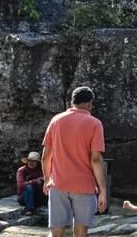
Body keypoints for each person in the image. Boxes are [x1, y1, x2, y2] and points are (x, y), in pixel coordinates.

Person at [42, 86, 106, 237]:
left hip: (58, 183)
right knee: (81, 230)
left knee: (56, 230)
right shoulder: (95, 124)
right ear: (90, 104)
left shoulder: (56, 120)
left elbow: (45, 155)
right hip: (83, 185)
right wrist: (102, 190)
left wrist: (46, 179)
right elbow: (96, 159)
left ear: (72, 102)